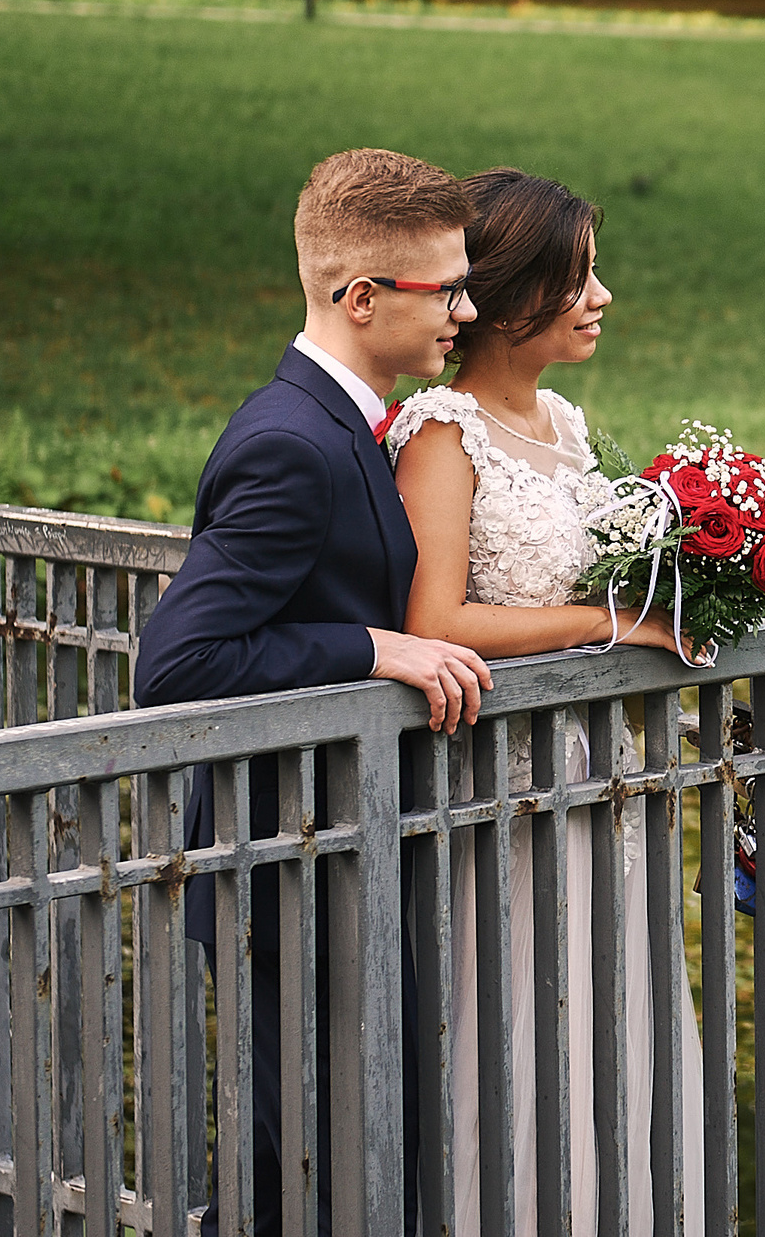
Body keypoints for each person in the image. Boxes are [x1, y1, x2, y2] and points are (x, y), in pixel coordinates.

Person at [135, 147, 495, 1237]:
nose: (466, 311)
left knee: (358, 1143)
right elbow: (176, 664)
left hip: (338, 844)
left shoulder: (347, 420)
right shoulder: (292, 442)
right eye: (447, 289)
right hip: (283, 856)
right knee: (309, 1161)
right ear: (361, 296)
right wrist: (370, 648)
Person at [384, 166, 705, 1237]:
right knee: (523, 1016)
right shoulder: (440, 427)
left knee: (620, 1002)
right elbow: (439, 619)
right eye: (578, 278)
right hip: (506, 782)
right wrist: (614, 624)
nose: (603, 295)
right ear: (513, 296)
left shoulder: (563, 422)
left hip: (601, 768)